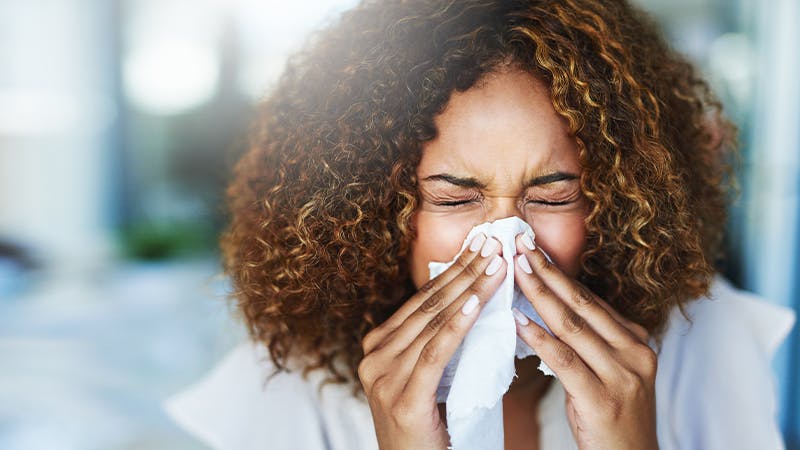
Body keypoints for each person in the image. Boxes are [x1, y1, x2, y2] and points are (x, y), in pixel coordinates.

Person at [165, 0, 795, 449]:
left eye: (551, 197)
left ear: (616, 205)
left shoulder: (708, 348)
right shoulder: (284, 394)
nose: (505, 244)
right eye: (454, 198)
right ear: (374, 212)